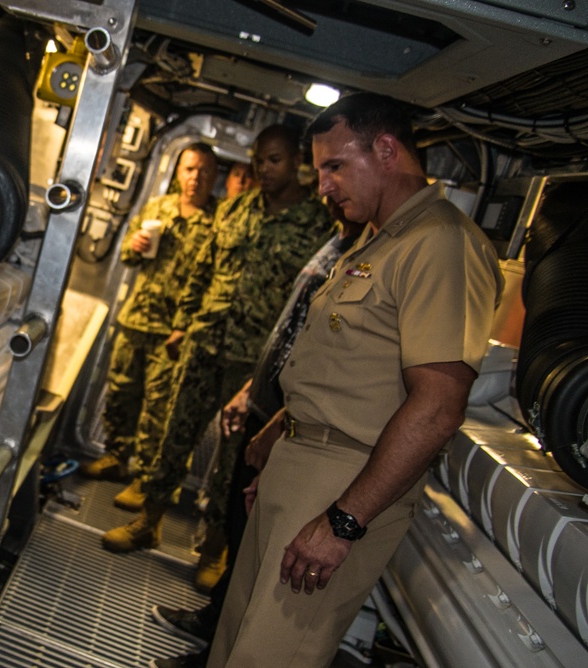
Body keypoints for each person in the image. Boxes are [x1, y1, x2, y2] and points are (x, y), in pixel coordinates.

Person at [204, 93, 503, 667]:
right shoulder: (374, 240)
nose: (323, 187)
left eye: (335, 166)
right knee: (234, 643)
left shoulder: (441, 244)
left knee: (269, 656)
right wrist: (279, 434)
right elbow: (349, 368)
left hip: (344, 483)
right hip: (300, 467)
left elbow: (439, 404)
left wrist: (344, 520)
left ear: (387, 150)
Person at [101, 125, 334, 562]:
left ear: (299, 163)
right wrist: (182, 325)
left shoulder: (318, 225)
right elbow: (201, 273)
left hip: (255, 364)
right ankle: (149, 522)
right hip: (205, 344)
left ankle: (213, 549)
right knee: (175, 434)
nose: (264, 169)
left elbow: (312, 304)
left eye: (275, 160)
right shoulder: (235, 211)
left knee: (233, 460)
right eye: (259, 159)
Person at [147, 199, 365, 667]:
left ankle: (217, 654)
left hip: (294, 419)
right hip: (272, 408)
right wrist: (254, 391)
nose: (326, 188)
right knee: (243, 531)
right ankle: (213, 634)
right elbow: (292, 333)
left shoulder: (366, 255)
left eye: (337, 170)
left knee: (257, 548)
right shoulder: (338, 243)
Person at [81, 143, 218, 513]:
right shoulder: (158, 208)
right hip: (137, 317)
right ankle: (117, 455)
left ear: (214, 176)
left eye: (205, 171)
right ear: (178, 172)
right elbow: (126, 253)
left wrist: (186, 326)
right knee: (122, 392)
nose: (196, 178)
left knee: (159, 408)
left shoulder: (217, 221)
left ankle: (145, 476)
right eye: (190, 169)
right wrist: (136, 245)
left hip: (174, 331)